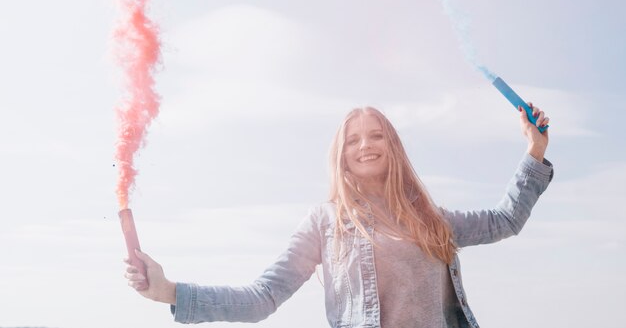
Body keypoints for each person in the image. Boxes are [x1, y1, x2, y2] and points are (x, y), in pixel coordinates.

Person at [125, 103, 553, 328]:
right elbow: (262, 299)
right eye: (353, 140)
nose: (365, 145)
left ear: (393, 146)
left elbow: (505, 221)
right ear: (341, 154)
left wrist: (534, 151)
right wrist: (171, 291)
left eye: (376, 135)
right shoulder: (324, 223)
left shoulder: (432, 220)